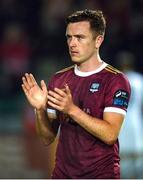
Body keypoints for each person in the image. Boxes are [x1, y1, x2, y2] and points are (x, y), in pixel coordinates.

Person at [22, 9, 131, 179]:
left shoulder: (115, 80)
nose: (72, 43)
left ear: (98, 41)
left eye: (80, 38)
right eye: (69, 37)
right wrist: (40, 110)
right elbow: (47, 138)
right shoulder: (59, 79)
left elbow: (110, 135)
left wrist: (72, 110)